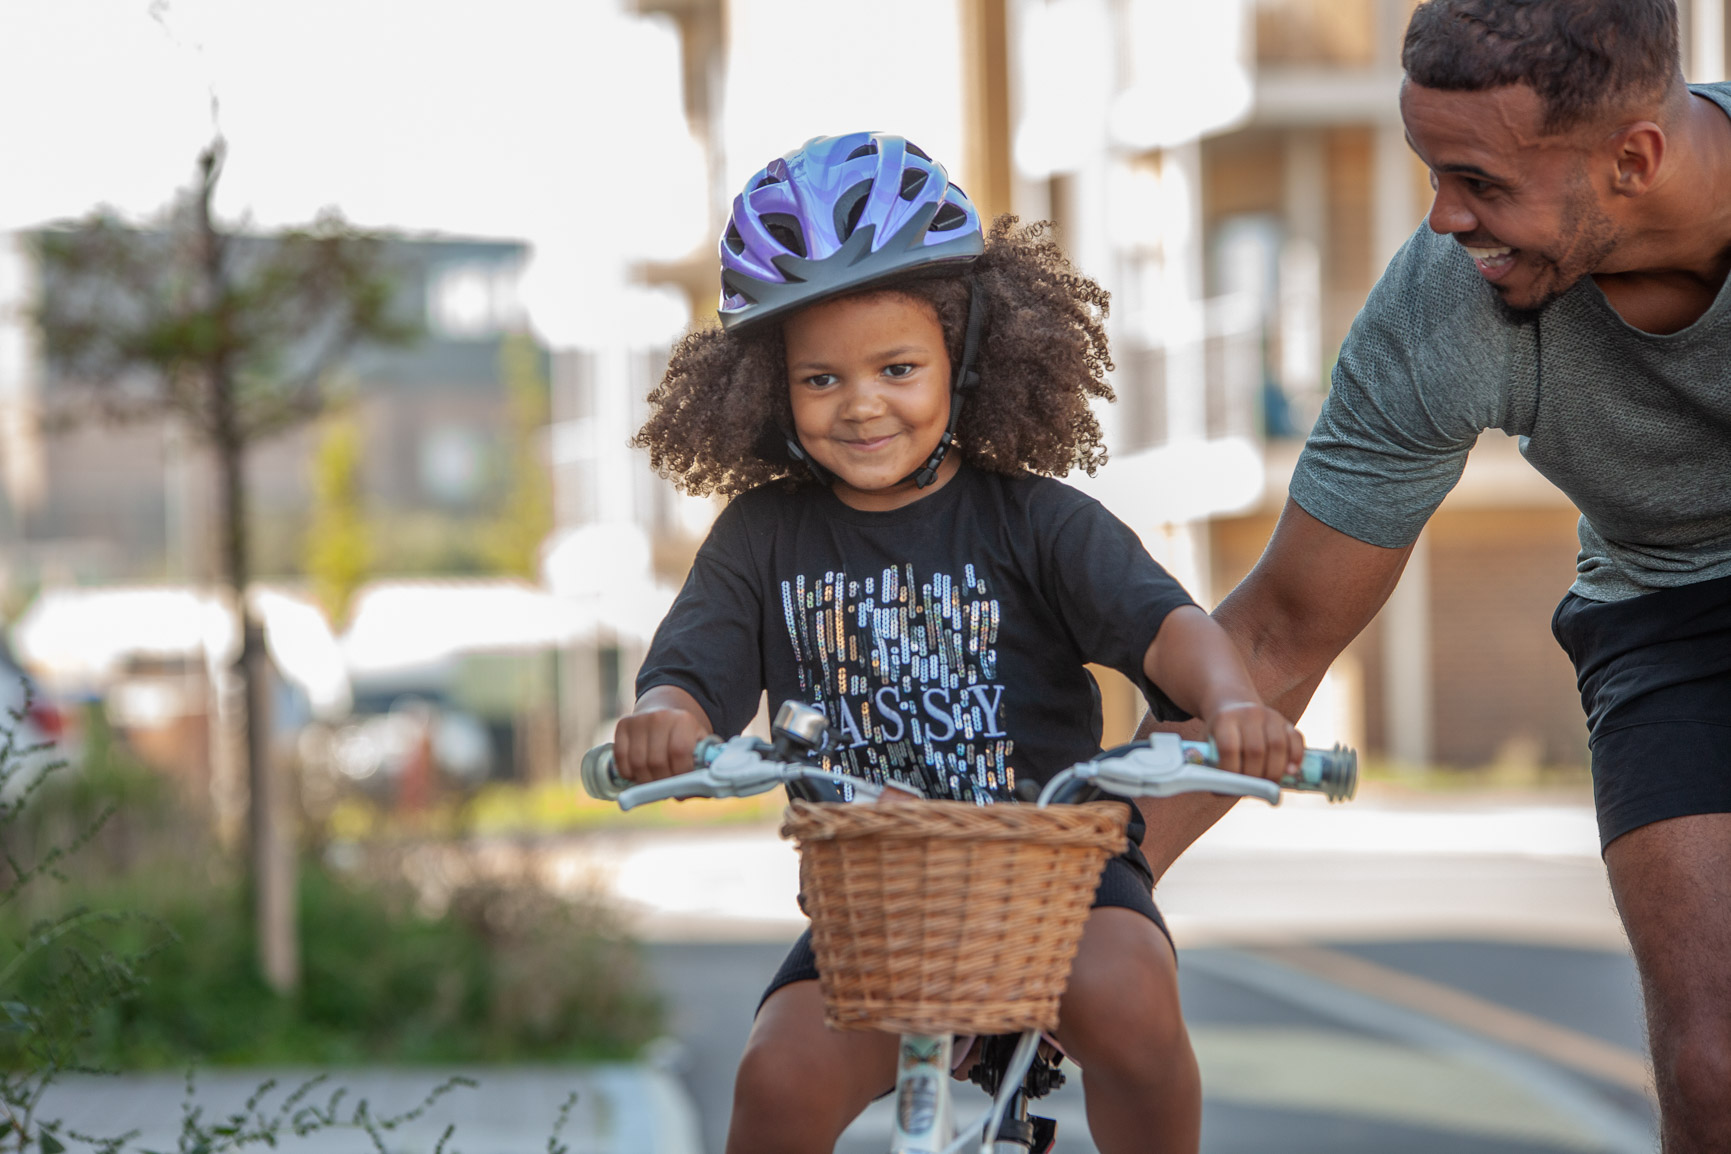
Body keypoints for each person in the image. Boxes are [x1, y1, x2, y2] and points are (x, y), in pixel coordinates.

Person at [613, 131, 1304, 1154]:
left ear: (968, 356)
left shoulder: (1035, 520)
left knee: (1134, 1008)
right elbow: (689, 677)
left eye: (897, 367)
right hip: (876, 894)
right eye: (819, 379)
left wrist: (1233, 703)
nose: (861, 404)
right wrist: (664, 725)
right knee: (779, 1078)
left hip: (1054, 876)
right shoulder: (762, 538)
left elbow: (1169, 627)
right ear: (767, 387)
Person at [1135, 1, 1731, 1148]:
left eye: (1479, 181)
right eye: (1429, 169)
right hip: (1665, 604)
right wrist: (1079, 895)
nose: (1444, 217)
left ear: (1635, 158)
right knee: (1713, 1067)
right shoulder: (1447, 305)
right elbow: (1275, 637)